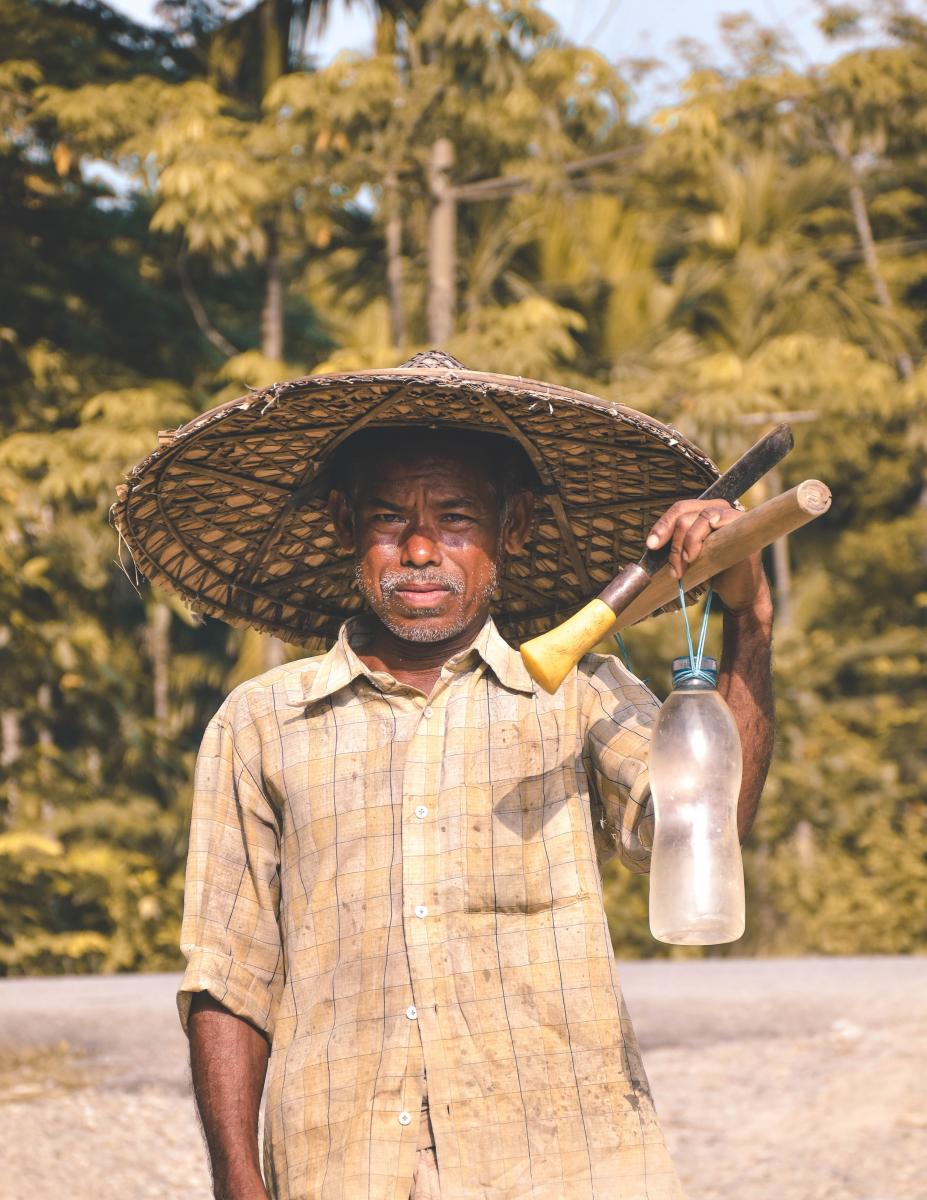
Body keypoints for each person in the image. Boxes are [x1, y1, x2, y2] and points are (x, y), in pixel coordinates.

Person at [114, 353, 773, 1200]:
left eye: (455, 519)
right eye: (389, 519)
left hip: (567, 1163)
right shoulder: (260, 722)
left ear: (516, 526)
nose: (419, 550)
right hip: (342, 1164)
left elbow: (702, 830)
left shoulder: (578, 695)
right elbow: (228, 978)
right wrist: (239, 1183)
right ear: (345, 522)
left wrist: (746, 622)